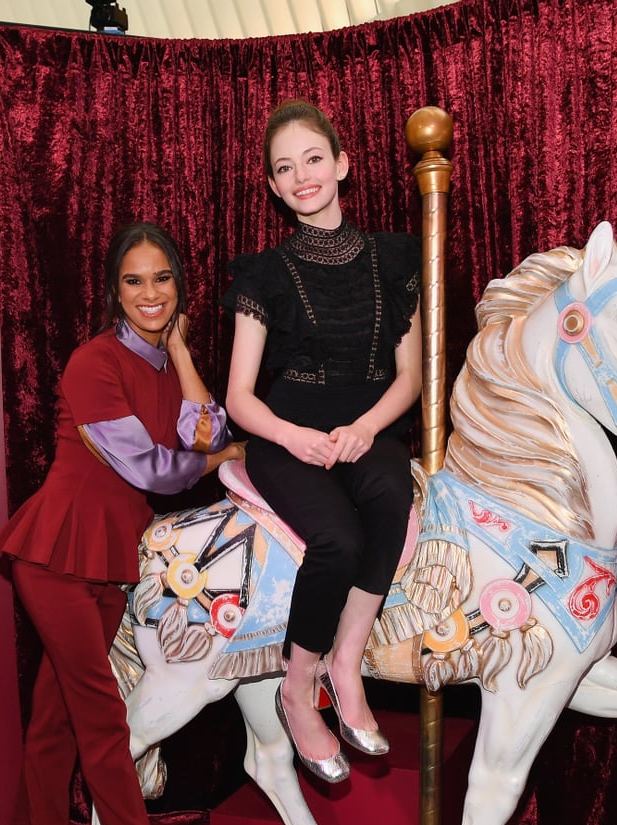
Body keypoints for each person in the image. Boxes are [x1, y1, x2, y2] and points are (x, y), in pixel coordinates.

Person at [0, 221, 241, 825]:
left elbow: (204, 425)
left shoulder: (166, 364)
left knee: (57, 718)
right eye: (134, 281)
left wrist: (185, 352)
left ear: (179, 286)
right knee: (102, 714)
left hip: (111, 556)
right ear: (114, 290)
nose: (150, 293)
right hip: (55, 552)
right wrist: (217, 456)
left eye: (161, 278)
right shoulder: (92, 362)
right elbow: (155, 470)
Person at [223, 100, 422, 785]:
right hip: (285, 436)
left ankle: (348, 661)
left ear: (341, 164)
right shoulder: (263, 275)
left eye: (313, 158)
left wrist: (367, 428)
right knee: (336, 538)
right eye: (285, 168)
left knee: (394, 493)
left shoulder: (396, 257)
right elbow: (239, 398)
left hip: (368, 430)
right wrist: (292, 436)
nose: (302, 175)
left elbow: (411, 376)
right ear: (275, 189)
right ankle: (297, 684)